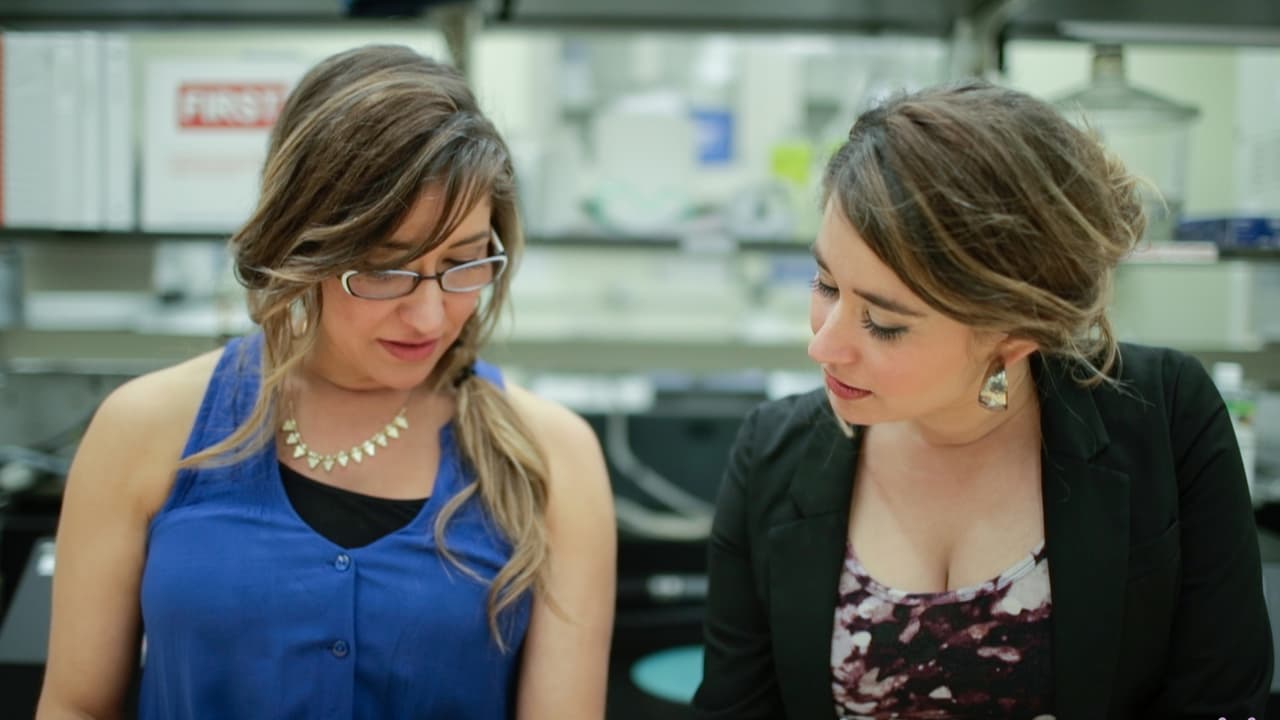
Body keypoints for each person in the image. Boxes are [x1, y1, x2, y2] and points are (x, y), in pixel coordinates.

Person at [37, 44, 616, 719]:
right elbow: (76, 705)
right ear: (300, 245)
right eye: (383, 267)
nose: (430, 314)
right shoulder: (144, 429)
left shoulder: (551, 458)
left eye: (463, 261)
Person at [693, 80, 1272, 720]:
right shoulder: (771, 454)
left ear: (1016, 332)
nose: (824, 347)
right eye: (826, 284)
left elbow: (1220, 698)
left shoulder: (1164, 419)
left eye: (884, 323)